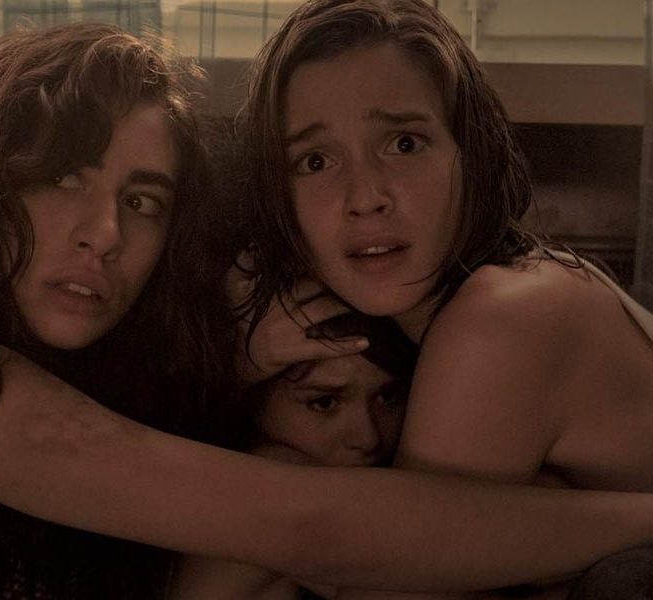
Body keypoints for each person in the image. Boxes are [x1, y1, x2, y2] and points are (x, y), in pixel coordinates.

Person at [0, 16, 653, 600]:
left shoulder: (512, 311)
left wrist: (234, 357)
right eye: (61, 178)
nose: (103, 234)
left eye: (142, 201)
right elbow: (308, 529)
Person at [240, 0, 653, 596]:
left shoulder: (505, 317)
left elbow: (387, 582)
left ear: (472, 154)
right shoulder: (506, 289)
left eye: (404, 144)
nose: (365, 197)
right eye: (316, 161)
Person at [173, 312, 417, 599]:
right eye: (324, 402)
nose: (368, 438)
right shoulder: (268, 483)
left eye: (388, 397)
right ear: (254, 406)